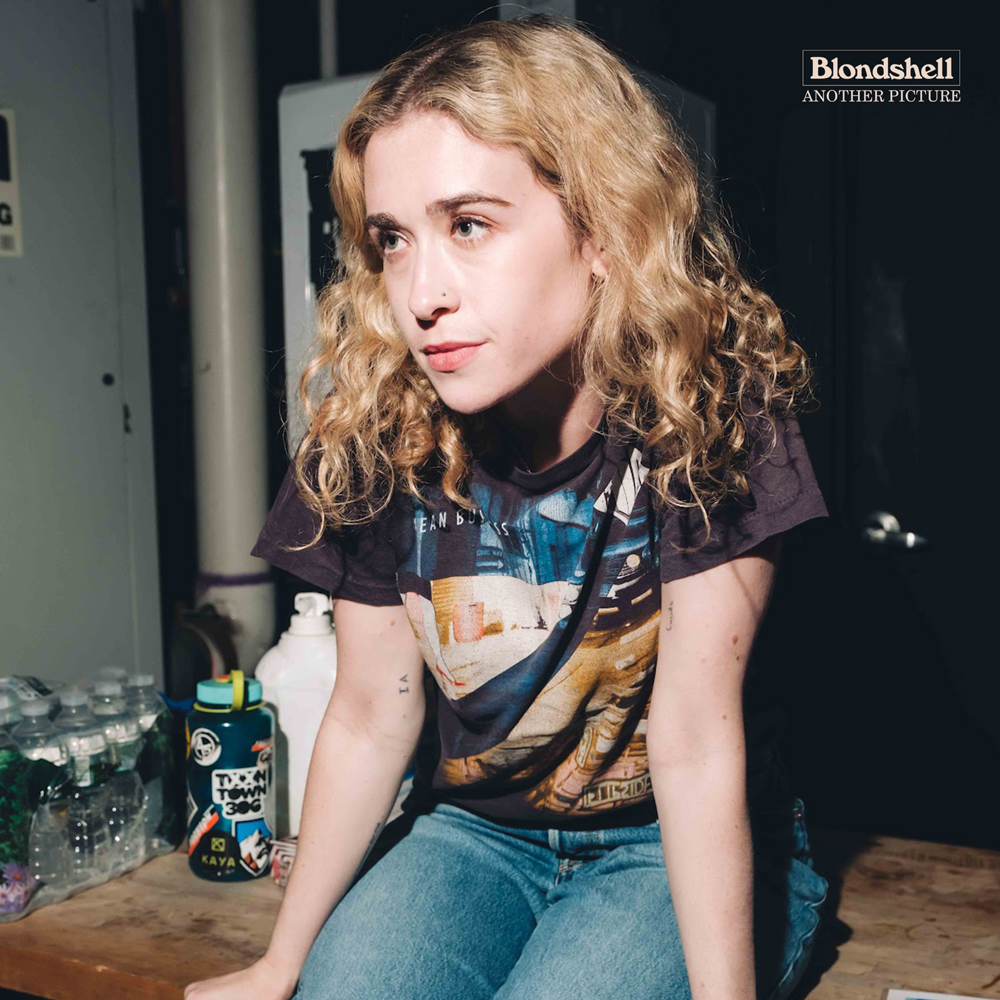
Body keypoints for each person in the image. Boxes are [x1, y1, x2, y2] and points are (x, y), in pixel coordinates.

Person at [184, 15, 830, 1000]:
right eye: (392, 240)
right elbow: (369, 712)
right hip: (477, 834)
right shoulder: (379, 425)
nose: (421, 294)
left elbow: (696, 743)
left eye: (470, 225)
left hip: (667, 842)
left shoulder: (708, 409)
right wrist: (282, 964)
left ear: (603, 230)